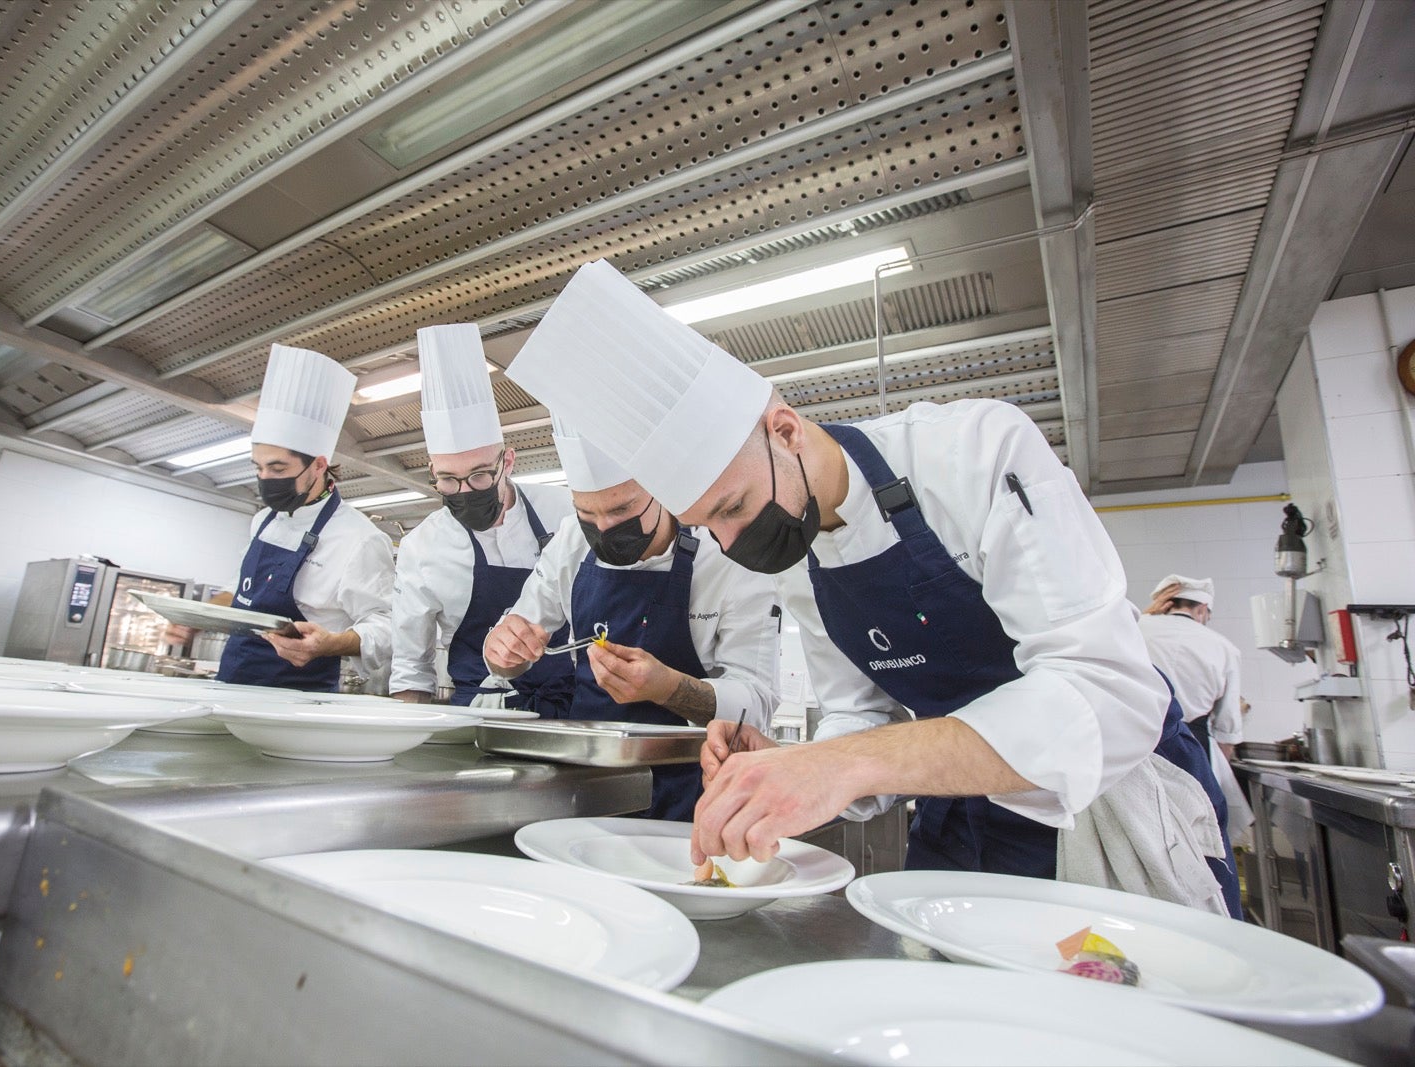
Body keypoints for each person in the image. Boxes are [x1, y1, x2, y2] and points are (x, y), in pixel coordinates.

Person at [508, 259, 1239, 914]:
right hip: (960, 815)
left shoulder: (975, 451)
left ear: (786, 429)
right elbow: (861, 713)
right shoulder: (796, 552)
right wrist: (791, 761)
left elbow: (1109, 698)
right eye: (709, 525)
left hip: (1108, 813)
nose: (732, 542)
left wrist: (845, 762)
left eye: (731, 508)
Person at [481, 415, 781, 820]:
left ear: (664, 490)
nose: (604, 529)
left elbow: (757, 703)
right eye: (588, 514)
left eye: (622, 509)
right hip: (583, 786)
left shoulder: (728, 554)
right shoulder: (570, 541)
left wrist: (669, 688)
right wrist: (503, 649)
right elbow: (511, 644)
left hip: (691, 790)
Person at [389, 324, 576, 712]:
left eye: (478, 475)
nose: (464, 491)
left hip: (573, 707)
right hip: (479, 713)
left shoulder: (565, 511)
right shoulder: (421, 547)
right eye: (447, 480)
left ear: (507, 461)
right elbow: (411, 664)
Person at [214, 344, 394, 693]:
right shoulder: (264, 520)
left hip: (300, 699)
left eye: (279, 468)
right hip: (231, 685)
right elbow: (240, 591)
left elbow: (388, 625)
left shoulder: (360, 538)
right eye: (260, 468)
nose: (266, 479)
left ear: (319, 465)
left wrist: (332, 644)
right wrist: (198, 615)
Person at [1140, 575, 1253, 845]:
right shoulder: (1225, 648)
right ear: (1202, 609)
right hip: (1191, 747)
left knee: (1143, 832)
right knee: (1199, 836)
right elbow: (1227, 728)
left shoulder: (1135, 627)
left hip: (1133, 744)